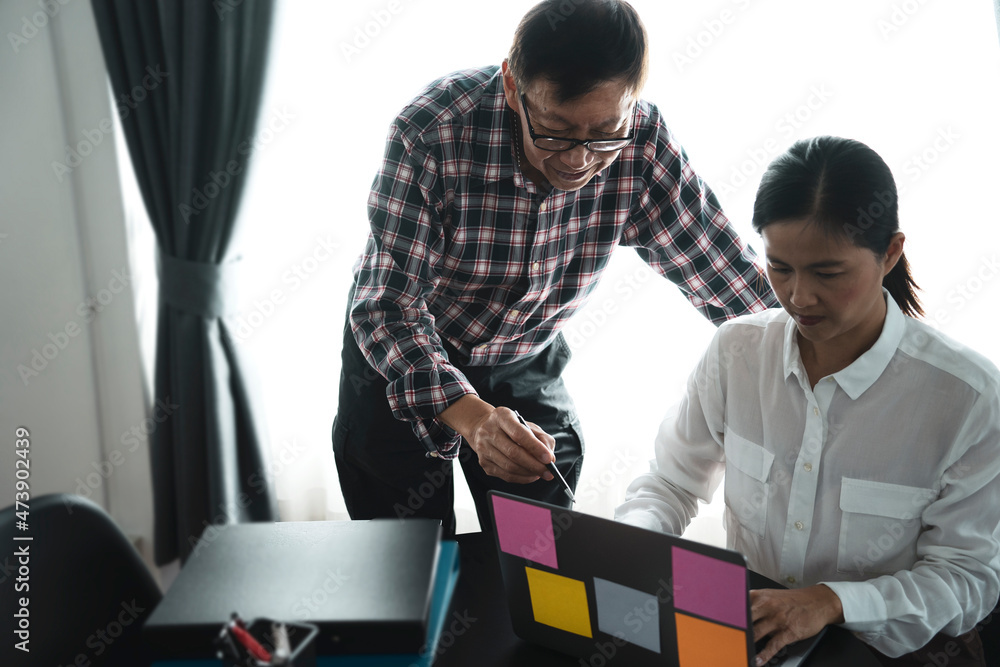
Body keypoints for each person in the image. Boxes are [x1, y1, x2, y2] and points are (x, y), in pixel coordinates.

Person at [333, 0, 776, 538]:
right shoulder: (433, 132)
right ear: (514, 88)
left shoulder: (642, 142)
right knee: (404, 561)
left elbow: (726, 273)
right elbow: (388, 306)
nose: (577, 160)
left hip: (524, 355)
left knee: (542, 557)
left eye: (603, 135)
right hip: (403, 355)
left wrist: (852, 343)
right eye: (555, 132)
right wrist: (471, 416)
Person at [615, 135, 1000, 666]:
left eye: (827, 273)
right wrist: (632, 547)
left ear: (890, 252)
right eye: (780, 268)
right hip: (751, 638)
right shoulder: (737, 351)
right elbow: (669, 483)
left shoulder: (967, 399)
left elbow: (966, 579)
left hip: (886, 650)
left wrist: (832, 601)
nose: (798, 296)